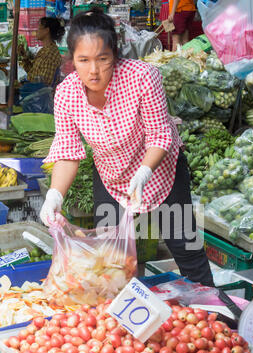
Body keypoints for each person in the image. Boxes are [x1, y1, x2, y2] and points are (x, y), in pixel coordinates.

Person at [40, 7, 214, 287]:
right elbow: (67, 151)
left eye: (102, 59)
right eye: (83, 60)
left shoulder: (143, 76)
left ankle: (219, 318)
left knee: (185, 247)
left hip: (160, 171)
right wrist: (54, 195)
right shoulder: (66, 93)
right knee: (111, 258)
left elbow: (160, 135)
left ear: (116, 55)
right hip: (111, 176)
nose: (93, 70)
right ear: (72, 59)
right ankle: (122, 321)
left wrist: (144, 173)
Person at [18, 17, 65, 87]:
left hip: (40, 95)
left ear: (46, 30)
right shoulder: (45, 50)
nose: (36, 31)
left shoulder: (50, 55)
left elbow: (44, 84)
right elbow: (33, 72)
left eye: (39, 28)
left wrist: (23, 85)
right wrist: (24, 56)